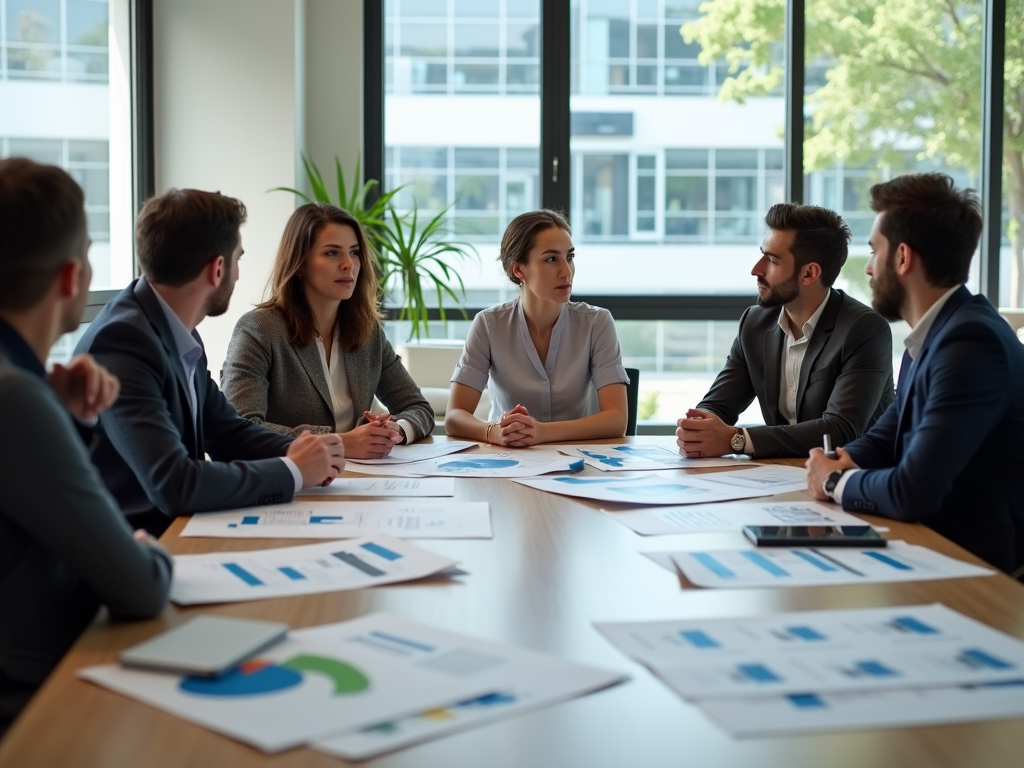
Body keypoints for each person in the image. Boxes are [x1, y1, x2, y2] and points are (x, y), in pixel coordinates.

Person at [0, 158, 172, 732]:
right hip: (35, 701)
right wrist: (148, 547)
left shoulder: (28, 390)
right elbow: (140, 587)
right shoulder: (15, 398)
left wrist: (65, 416)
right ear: (72, 277)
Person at [75, 189, 346, 536]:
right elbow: (175, 484)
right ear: (218, 268)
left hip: (177, 531)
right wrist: (293, 471)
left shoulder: (176, 327)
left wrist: (301, 449)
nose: (237, 275)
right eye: (238, 260)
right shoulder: (123, 342)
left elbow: (225, 431)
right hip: (133, 547)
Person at [806, 173, 1024, 573]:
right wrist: (840, 460)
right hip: (935, 548)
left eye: (874, 251)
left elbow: (912, 491)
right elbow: (887, 435)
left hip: (979, 569)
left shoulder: (971, 344)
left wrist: (834, 482)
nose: (869, 269)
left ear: (903, 257)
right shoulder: (937, 334)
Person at [676, 203, 894, 459]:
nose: (755, 269)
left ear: (809, 273)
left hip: (849, 478)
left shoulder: (864, 329)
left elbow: (839, 430)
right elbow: (717, 405)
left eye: (771, 260)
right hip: (778, 475)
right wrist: (700, 427)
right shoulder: (755, 323)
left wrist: (736, 440)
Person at [222, 204, 433, 458]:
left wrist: (395, 429)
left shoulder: (369, 331)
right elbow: (242, 429)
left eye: (354, 253)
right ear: (299, 263)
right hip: (292, 484)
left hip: (360, 482)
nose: (348, 264)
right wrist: (340, 442)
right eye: (332, 253)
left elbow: (418, 407)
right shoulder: (259, 330)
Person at [445, 209, 629, 446]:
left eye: (570, 257)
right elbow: (454, 417)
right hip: (508, 461)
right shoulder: (488, 325)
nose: (567, 271)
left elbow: (616, 420)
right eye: (551, 259)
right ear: (519, 270)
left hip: (579, 465)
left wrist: (543, 432)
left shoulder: (597, 322)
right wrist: (493, 432)